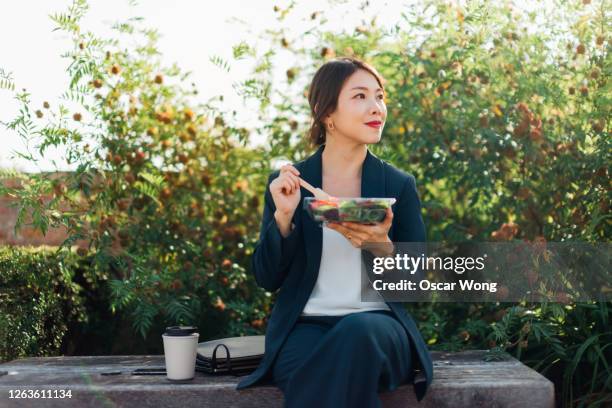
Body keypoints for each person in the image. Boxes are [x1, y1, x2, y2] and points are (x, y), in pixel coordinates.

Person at [236, 57, 433, 407]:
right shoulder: (291, 184)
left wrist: (381, 245)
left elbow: (418, 285)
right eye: (360, 97)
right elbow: (267, 277)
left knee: (355, 336)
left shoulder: (398, 186)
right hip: (306, 329)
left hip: (379, 327)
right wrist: (284, 218)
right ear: (326, 112)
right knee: (325, 373)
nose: (376, 108)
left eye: (380, 97)